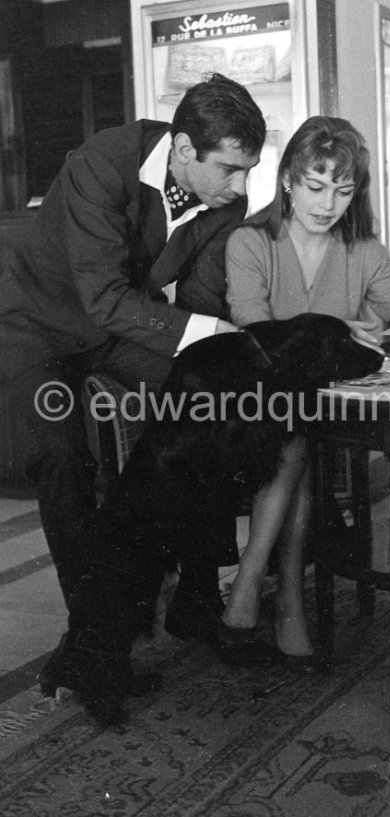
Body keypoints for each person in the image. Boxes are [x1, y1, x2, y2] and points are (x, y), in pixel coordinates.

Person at [0, 73, 268, 662]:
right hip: (36, 324)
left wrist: (215, 350)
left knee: (211, 400)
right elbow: (102, 299)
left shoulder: (228, 198)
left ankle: (196, 597)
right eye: (230, 168)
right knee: (61, 457)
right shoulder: (99, 164)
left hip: (115, 330)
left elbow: (198, 302)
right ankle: (92, 632)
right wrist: (212, 332)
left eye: (249, 169)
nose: (242, 185)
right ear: (182, 149)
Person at [223, 115, 390, 671]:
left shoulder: (363, 250)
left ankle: (252, 581)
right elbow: (255, 333)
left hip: (319, 414)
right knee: (295, 434)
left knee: (301, 437)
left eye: (343, 189)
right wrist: (330, 331)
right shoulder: (249, 241)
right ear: (287, 178)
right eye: (315, 186)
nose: (327, 202)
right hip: (252, 403)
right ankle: (284, 596)